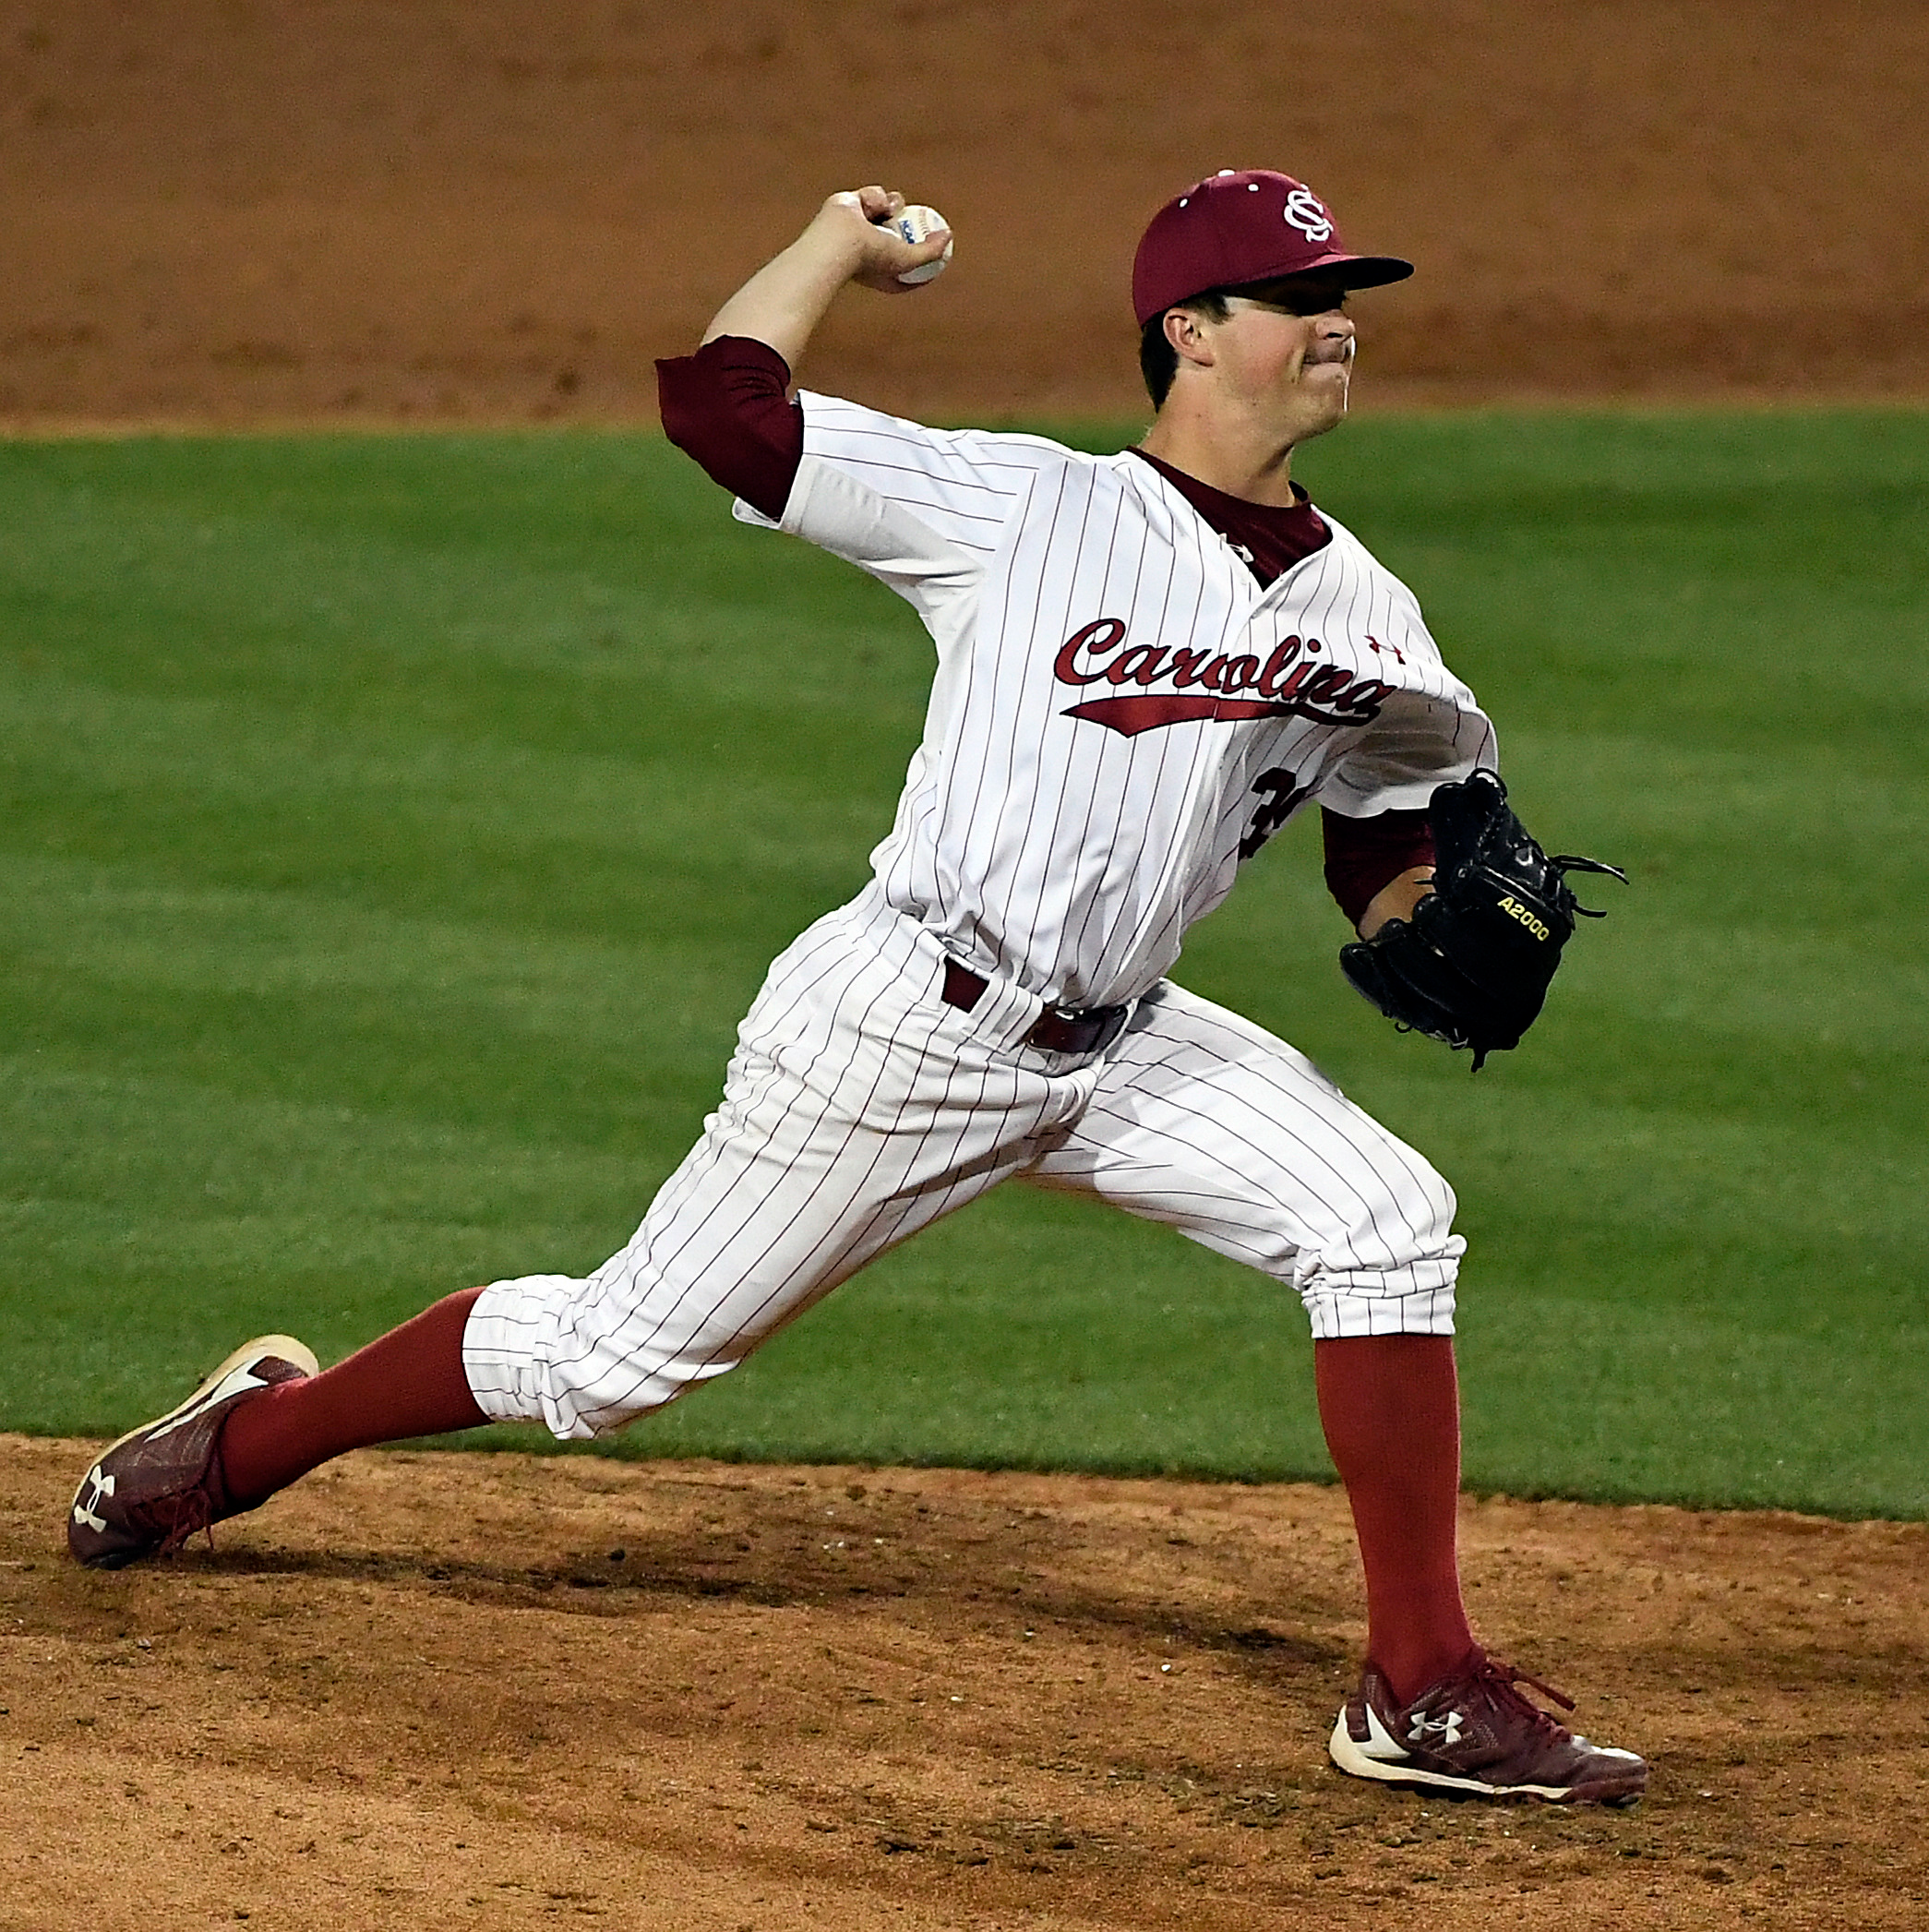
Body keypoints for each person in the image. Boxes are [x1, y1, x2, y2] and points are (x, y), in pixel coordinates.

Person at [66, 170, 1647, 1805]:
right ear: (1187, 330)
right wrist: (833, 242)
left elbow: (1395, 827)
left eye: (1346, 297)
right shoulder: (1020, 506)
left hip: (1127, 1044)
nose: (1340, 327)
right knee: (607, 1367)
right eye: (1298, 299)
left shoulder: (1361, 607)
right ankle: (245, 1438)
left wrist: (1421, 902)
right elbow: (730, 414)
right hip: (903, 1028)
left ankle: (1418, 1686)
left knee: (1383, 1222)